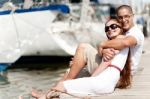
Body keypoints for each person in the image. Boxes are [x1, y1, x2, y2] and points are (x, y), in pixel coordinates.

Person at [30, 18, 132, 99]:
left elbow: (106, 63)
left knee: (63, 84)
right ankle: (46, 94)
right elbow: (107, 62)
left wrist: (90, 79)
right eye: (107, 28)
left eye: (113, 26)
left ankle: (45, 95)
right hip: (107, 82)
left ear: (121, 29)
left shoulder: (119, 40)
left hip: (102, 82)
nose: (110, 29)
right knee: (69, 74)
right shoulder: (116, 43)